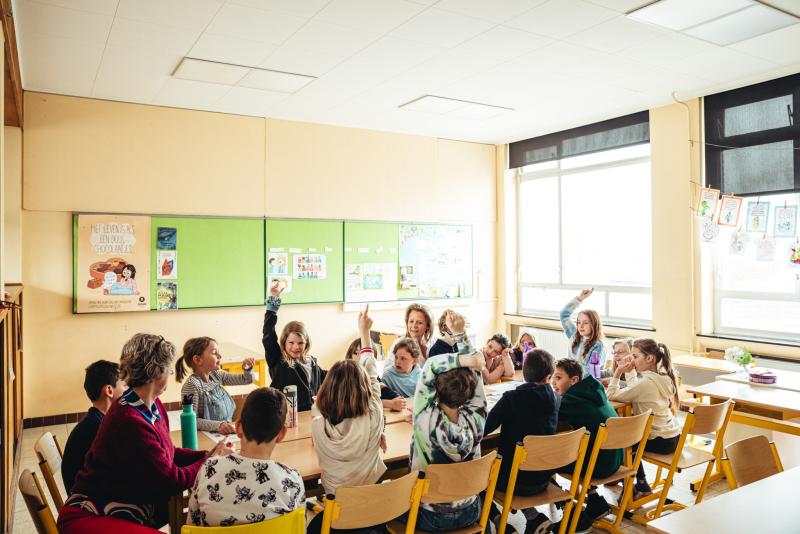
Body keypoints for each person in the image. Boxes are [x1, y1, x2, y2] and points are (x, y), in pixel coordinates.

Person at [58, 334, 233, 533]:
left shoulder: (152, 405)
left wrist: (207, 455)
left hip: (124, 503)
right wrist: (210, 461)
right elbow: (170, 480)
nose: (170, 373)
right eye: (168, 368)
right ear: (156, 373)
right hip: (93, 513)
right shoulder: (129, 419)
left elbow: (167, 454)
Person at [307, 307, 388, 534]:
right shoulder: (374, 415)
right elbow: (371, 371)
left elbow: (320, 408)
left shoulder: (317, 424)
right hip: (372, 517)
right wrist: (365, 332)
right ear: (365, 391)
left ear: (326, 389)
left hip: (336, 520)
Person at [406, 310, 486, 531]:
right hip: (470, 509)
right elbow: (477, 375)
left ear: (435, 392)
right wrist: (461, 335)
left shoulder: (424, 419)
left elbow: (429, 366)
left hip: (431, 515)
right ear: (469, 392)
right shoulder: (477, 419)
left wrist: (465, 358)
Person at [186, 387, 305, 527]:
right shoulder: (292, 481)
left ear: (238, 427)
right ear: (282, 434)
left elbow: (191, 526)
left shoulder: (208, 469)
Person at [485, 349, 559, 533]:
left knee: (477, 472)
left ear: (523, 373)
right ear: (549, 377)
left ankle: (497, 519)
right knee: (520, 465)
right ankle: (533, 517)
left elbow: (484, 429)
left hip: (512, 480)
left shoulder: (511, 399)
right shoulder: (556, 399)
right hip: (542, 478)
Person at [552, 358, 622, 532]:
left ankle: (572, 511)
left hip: (598, 466)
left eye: (558, 378)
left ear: (574, 380)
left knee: (543, 460)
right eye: (552, 377)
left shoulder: (571, 401)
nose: (553, 382)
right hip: (615, 461)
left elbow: (546, 413)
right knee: (577, 449)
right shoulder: (594, 391)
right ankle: (594, 500)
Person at [606, 338, 682, 499]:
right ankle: (628, 478)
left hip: (660, 441)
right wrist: (629, 370)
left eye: (635, 356)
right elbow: (636, 387)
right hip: (674, 437)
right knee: (630, 436)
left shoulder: (645, 384)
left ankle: (641, 485)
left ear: (650, 359)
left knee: (624, 440)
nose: (631, 360)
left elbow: (611, 395)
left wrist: (618, 372)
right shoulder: (663, 377)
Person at [61, 360, 126, 495]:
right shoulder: (97, 429)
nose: (128, 390)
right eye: (124, 385)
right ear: (109, 390)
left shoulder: (96, 420)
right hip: (88, 504)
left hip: (88, 493)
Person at [262, 283, 326, 411]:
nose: (296, 347)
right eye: (291, 343)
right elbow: (268, 333)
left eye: (300, 343)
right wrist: (272, 305)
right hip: (286, 416)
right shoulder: (278, 361)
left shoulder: (311, 362)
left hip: (310, 413)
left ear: (306, 343)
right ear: (284, 342)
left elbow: (327, 376)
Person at [176, 337, 254, 433]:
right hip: (205, 435)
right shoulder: (192, 386)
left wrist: (247, 370)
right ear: (198, 360)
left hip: (225, 432)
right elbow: (191, 421)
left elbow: (246, 380)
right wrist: (219, 425)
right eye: (214, 353)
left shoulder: (217, 375)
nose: (220, 356)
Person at [345, 338, 406, 412]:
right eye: (356, 353)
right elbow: (355, 403)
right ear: (350, 355)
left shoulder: (374, 377)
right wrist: (390, 403)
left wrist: (397, 401)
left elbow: (395, 396)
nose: (361, 358)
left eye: (364, 355)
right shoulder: (345, 376)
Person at [560, 288, 607, 379]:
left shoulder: (598, 345)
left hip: (586, 384)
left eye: (585, 323)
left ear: (594, 324)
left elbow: (591, 373)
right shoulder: (574, 335)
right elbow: (563, 315)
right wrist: (579, 298)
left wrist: (567, 375)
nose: (581, 326)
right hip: (571, 379)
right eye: (578, 322)